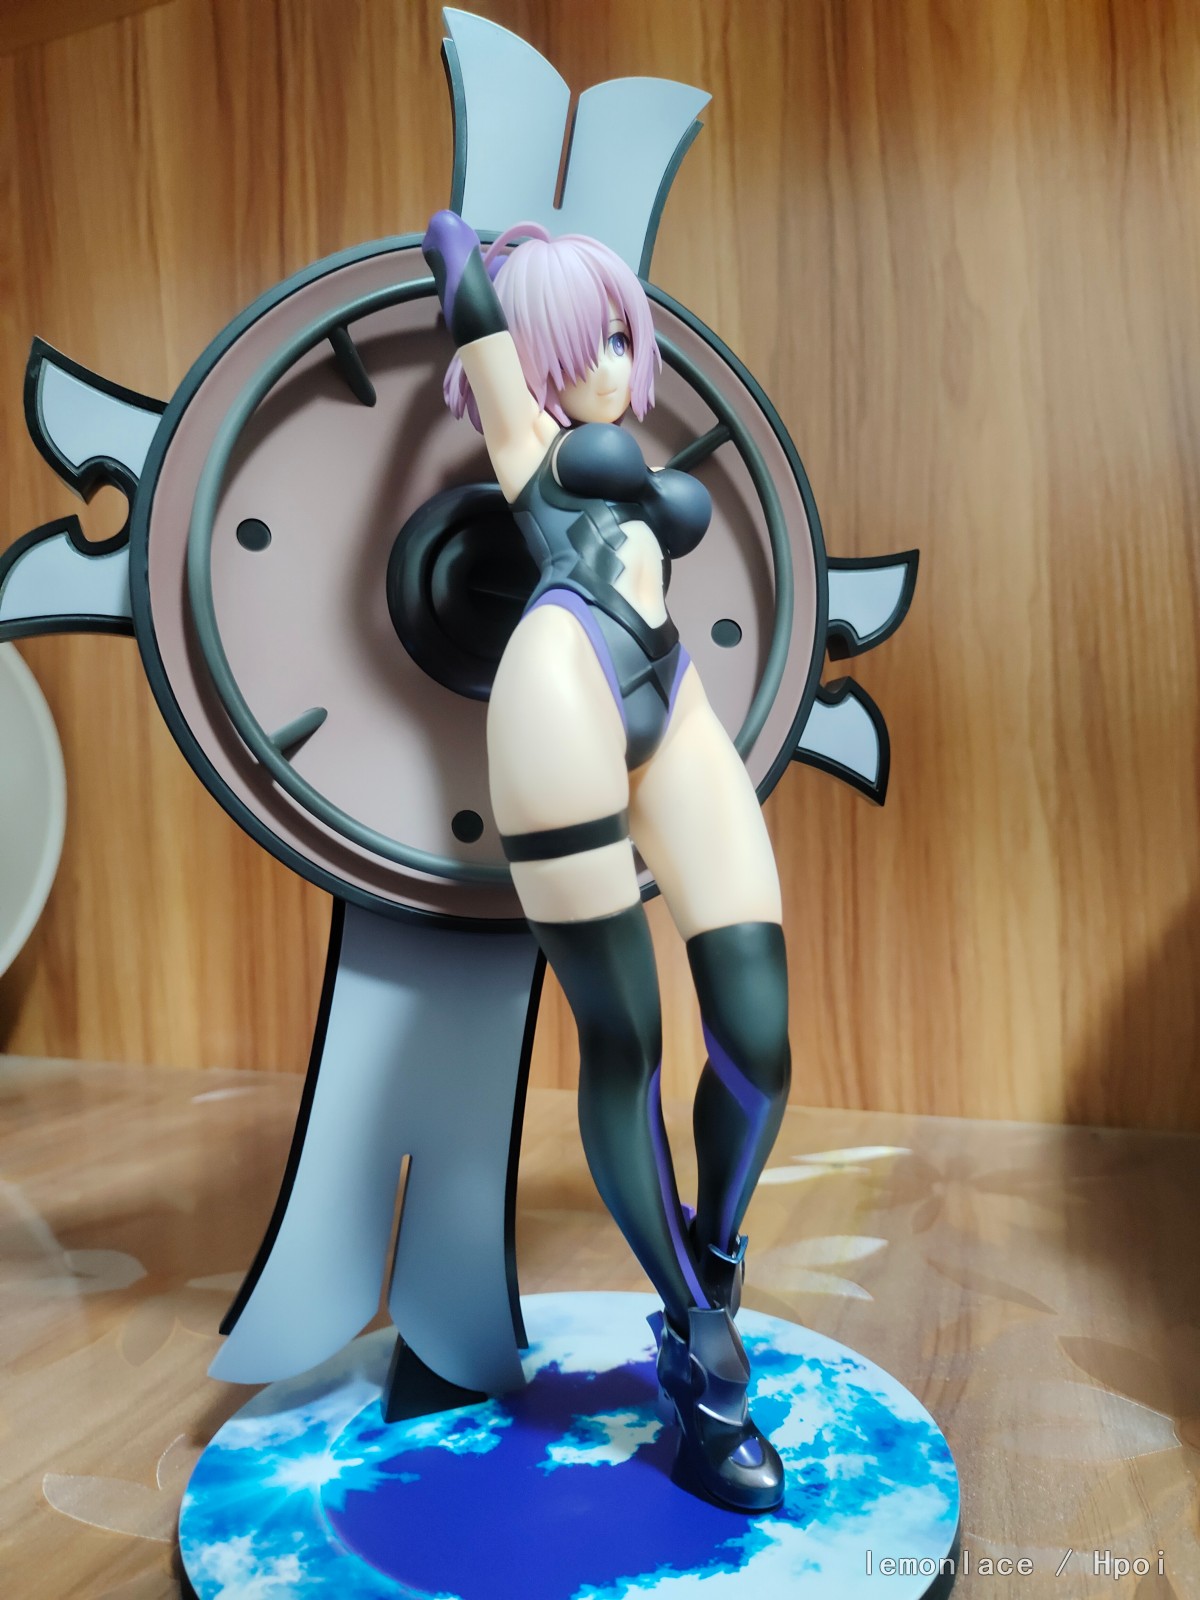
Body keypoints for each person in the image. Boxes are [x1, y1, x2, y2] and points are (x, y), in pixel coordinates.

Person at [423, 210, 792, 1512]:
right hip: (562, 685)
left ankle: (712, 1267)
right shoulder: (528, 443)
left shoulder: (630, 449)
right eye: (576, 341)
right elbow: (480, 330)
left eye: (619, 336)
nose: (606, 362)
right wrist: (456, 250)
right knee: (625, 1036)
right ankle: (700, 1343)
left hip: (668, 689)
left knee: (758, 1030)